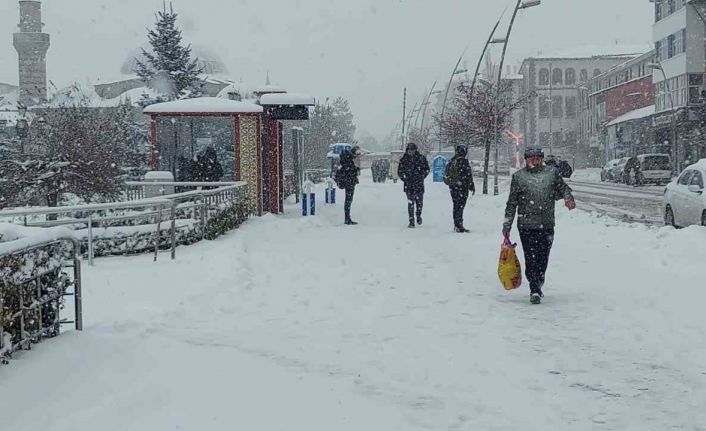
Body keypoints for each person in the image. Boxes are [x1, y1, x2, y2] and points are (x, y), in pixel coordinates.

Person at [503, 146, 576, 305]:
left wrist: (568, 198)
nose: (535, 160)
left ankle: (539, 280)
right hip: (526, 225)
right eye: (531, 158)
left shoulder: (552, 173)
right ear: (526, 159)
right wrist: (507, 225)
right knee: (530, 258)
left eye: (538, 157)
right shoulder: (519, 177)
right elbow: (512, 203)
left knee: (543, 257)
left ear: (542, 159)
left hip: (546, 224)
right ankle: (534, 288)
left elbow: (563, 188)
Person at [444, 144, 476, 233]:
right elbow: (468, 175)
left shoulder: (452, 161)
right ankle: (459, 225)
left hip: (454, 187)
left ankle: (457, 224)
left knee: (456, 205)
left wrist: (454, 183)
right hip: (463, 188)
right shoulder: (464, 161)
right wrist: (471, 185)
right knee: (460, 206)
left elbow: (446, 175)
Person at [398, 142, 430, 228]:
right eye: (409, 150)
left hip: (419, 184)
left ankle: (418, 215)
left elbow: (427, 169)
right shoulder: (403, 160)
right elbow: (400, 172)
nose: (411, 152)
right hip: (408, 185)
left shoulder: (421, 158)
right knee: (410, 203)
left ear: (415, 150)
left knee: (419, 203)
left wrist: (422, 176)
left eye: (412, 150)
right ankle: (411, 220)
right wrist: (405, 178)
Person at [335, 146, 361, 225]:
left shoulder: (346, 159)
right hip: (349, 183)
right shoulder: (348, 160)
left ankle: (347, 218)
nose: (356, 156)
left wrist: (355, 170)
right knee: (348, 201)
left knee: (348, 201)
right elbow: (348, 171)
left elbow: (348, 170)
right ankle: (347, 219)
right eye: (357, 154)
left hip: (348, 182)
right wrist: (355, 171)